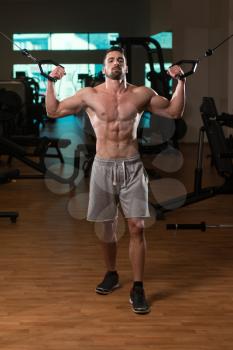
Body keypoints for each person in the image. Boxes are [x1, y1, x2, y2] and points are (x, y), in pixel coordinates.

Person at [45, 46, 186, 314]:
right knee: (106, 228)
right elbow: (53, 111)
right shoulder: (90, 95)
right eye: (110, 60)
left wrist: (181, 82)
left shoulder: (141, 94)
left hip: (132, 166)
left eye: (120, 59)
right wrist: (51, 82)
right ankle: (111, 273)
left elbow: (173, 112)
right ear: (103, 68)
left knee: (136, 228)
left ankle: (138, 287)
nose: (116, 62)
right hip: (102, 167)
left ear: (126, 67)